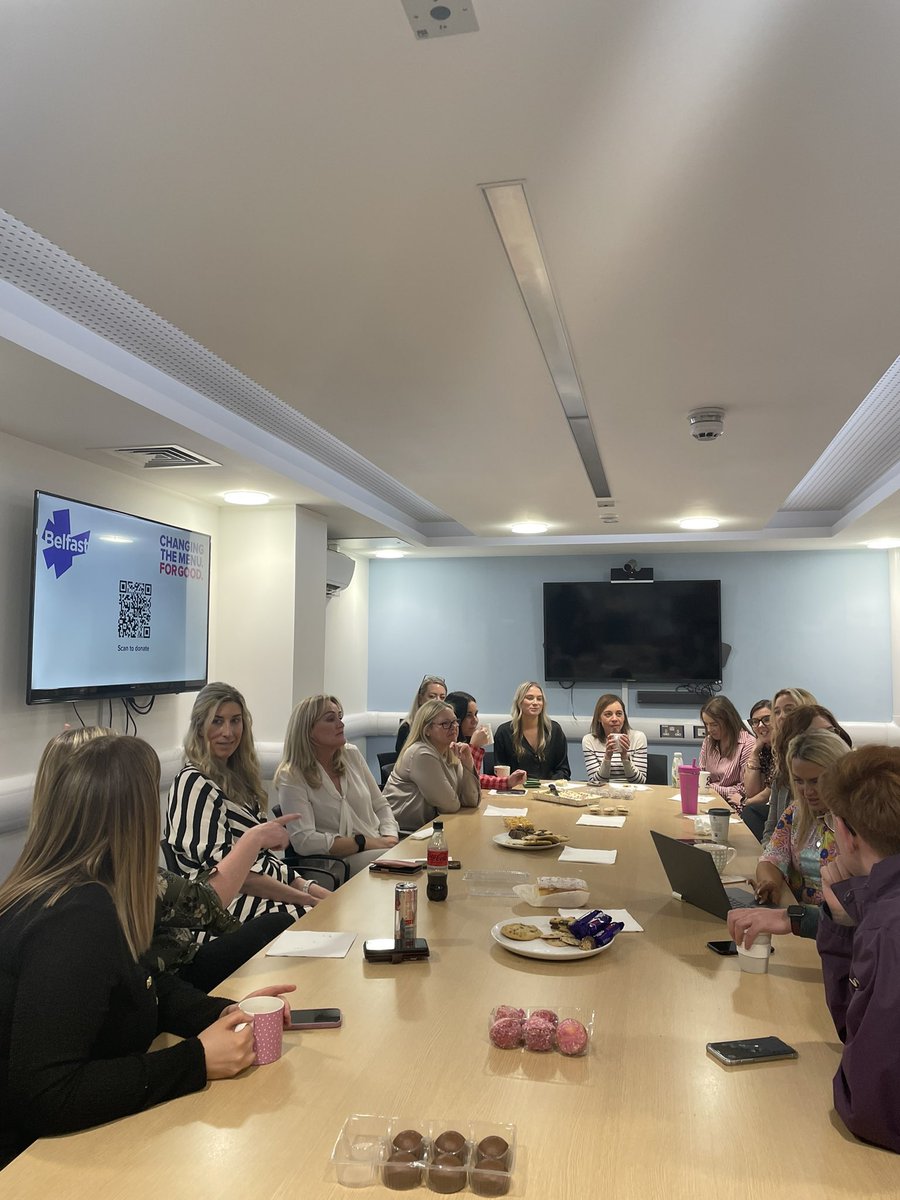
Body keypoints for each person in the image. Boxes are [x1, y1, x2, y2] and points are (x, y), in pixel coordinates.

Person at [0, 735, 295, 1169]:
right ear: (134, 818)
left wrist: (220, 1014)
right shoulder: (75, 918)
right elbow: (47, 1093)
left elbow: (143, 985)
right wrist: (195, 1061)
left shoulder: (85, 893)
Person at [33, 728, 296, 991]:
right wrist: (253, 840)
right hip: (176, 978)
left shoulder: (46, 873)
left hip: (172, 981)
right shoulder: (112, 879)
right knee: (279, 924)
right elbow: (207, 904)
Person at [735, 746, 900, 1152]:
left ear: (844, 833)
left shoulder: (886, 928)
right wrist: (844, 921)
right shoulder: (877, 912)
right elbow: (858, 1035)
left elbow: (871, 1108)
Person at [165, 682, 330, 925]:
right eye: (217, 721)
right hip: (222, 909)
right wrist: (305, 900)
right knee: (318, 919)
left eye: (235, 721)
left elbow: (264, 862)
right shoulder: (194, 784)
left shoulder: (241, 781)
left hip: (261, 896)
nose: (228, 732)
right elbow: (228, 876)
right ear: (200, 728)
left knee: (337, 908)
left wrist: (310, 888)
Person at [275, 694, 400, 878]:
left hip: (378, 848)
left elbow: (380, 804)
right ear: (308, 730)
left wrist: (390, 837)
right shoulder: (292, 775)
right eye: (330, 719)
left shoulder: (351, 755)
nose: (340, 724)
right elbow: (304, 840)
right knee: (402, 867)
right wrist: (362, 842)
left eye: (340, 717)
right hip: (333, 865)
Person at [754, 730, 850, 906]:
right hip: (800, 917)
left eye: (816, 781)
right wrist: (770, 883)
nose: (807, 791)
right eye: (799, 781)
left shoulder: (859, 819)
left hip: (843, 922)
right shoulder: (795, 813)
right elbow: (771, 859)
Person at [383, 698, 481, 830]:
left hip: (429, 829)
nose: (454, 727)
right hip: (401, 834)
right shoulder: (421, 754)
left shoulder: (451, 750)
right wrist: (458, 798)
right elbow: (450, 805)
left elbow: (471, 801)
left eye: (455, 722)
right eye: (445, 724)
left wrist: (468, 762)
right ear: (427, 729)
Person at [762, 702, 850, 845]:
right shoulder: (795, 810)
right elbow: (771, 841)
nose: (808, 791)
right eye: (799, 781)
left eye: (830, 732)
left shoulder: (857, 811)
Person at [444, 690, 526, 791]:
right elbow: (468, 786)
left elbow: (477, 778)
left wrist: (507, 781)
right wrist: (474, 747)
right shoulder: (446, 745)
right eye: (469, 715)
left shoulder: (463, 741)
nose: (475, 720)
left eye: (476, 714)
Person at [493, 682, 571, 780]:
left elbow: (563, 770)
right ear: (519, 701)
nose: (535, 703)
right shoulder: (504, 732)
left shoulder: (554, 730)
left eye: (539, 699)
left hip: (549, 789)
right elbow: (501, 772)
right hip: (517, 790)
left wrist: (548, 785)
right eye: (529, 698)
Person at [697, 696, 754, 812]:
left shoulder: (748, 744)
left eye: (714, 724)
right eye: (706, 724)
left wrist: (710, 787)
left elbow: (744, 789)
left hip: (734, 807)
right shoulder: (708, 742)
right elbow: (700, 775)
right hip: (707, 801)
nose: (709, 729)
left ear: (728, 720)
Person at [581, 694, 648, 784]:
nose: (614, 719)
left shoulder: (638, 738)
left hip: (633, 793)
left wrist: (625, 757)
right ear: (599, 718)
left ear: (624, 717)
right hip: (604, 793)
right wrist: (607, 757)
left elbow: (640, 782)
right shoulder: (589, 740)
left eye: (619, 714)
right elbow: (596, 782)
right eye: (608, 714)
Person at [741, 700, 774, 841]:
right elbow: (752, 792)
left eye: (766, 719)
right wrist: (754, 752)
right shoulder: (764, 750)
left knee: (750, 812)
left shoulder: (787, 749)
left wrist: (744, 803)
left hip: (787, 809)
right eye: (755, 721)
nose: (760, 725)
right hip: (770, 809)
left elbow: (770, 792)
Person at [395, 674, 447, 755]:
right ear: (420, 699)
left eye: (442, 697)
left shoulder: (448, 727)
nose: (438, 701)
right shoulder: (407, 728)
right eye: (432, 696)